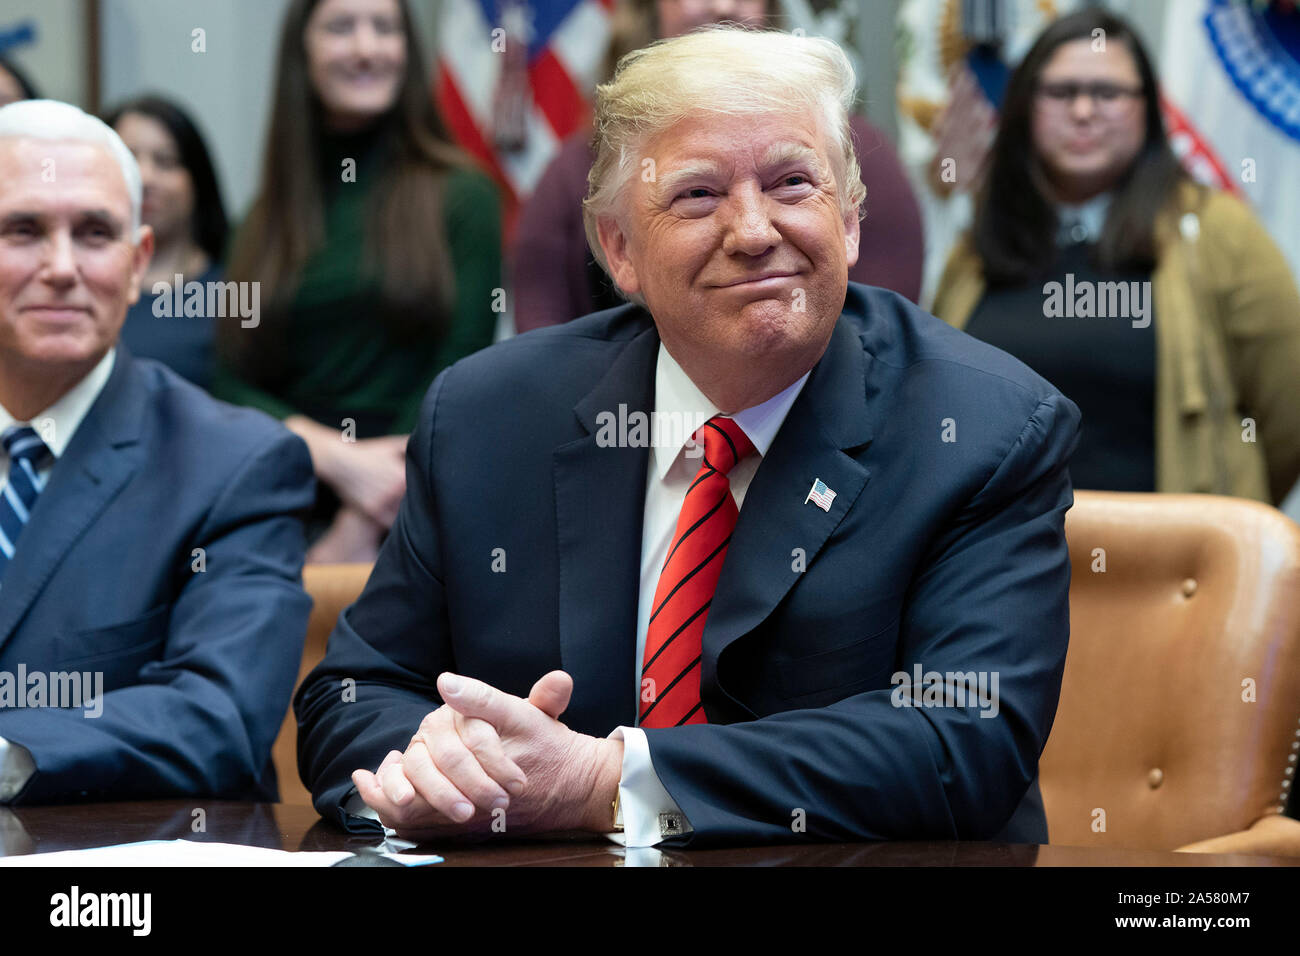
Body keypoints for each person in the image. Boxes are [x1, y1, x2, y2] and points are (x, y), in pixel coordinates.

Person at [296, 26, 1080, 846]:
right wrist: (443, 768)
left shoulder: (984, 430)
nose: (752, 230)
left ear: (848, 222)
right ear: (620, 250)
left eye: (792, 183)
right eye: (699, 194)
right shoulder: (489, 417)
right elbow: (354, 690)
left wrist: (612, 782)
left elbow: (961, 741)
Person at [0, 100, 315, 804]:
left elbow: (218, 717)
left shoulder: (237, 464)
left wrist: (7, 754)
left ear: (138, 261)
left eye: (94, 233)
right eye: (23, 230)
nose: (60, 267)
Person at [931, 9, 1300, 503]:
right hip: (994, 564)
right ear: (1024, 107)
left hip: (1173, 565)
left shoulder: (1217, 232)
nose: (1084, 110)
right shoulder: (981, 242)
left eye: (1108, 93)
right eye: (1061, 93)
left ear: (1146, 108)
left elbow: (1286, 413)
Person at [215, 0, 503, 564]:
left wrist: (362, 513)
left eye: (385, 28)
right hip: (280, 487)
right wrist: (332, 457)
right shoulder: (263, 217)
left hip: (418, 493)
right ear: (303, 52)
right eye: (342, 27)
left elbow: (459, 369)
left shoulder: (464, 196)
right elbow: (228, 381)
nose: (367, 47)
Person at [511, 0, 925, 333]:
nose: (722, 7)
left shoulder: (852, 149)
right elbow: (543, 331)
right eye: (696, 192)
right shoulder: (580, 167)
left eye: (790, 181)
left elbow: (881, 336)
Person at [105, 95, 229, 390]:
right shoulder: (77, 284)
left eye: (166, 162)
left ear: (197, 180)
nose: (145, 178)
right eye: (128, 159)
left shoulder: (236, 290)